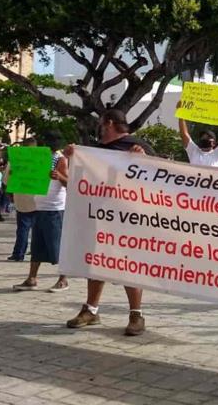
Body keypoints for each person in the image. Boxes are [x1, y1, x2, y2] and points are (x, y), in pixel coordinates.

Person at [66, 109, 156, 336]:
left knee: (129, 264)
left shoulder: (136, 146)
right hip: (99, 216)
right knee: (96, 262)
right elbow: (80, 182)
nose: (99, 128)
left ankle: (136, 314)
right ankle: (91, 310)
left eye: (101, 124)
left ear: (109, 123)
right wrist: (71, 157)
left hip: (129, 218)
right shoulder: (95, 152)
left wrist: (143, 160)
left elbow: (158, 180)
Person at [13, 131, 69, 293]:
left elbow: (69, 183)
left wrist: (59, 176)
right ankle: (32, 278)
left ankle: (63, 279)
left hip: (54, 209)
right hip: (39, 207)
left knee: (56, 245)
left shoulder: (60, 160)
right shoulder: (38, 158)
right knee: (37, 246)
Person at [7, 138, 38, 262]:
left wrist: (11, 197)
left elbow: (7, 181)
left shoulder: (15, 160)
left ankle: (19, 253)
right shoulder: (42, 161)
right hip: (38, 199)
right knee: (37, 229)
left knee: (22, 229)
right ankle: (36, 253)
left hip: (21, 199)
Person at [178, 103, 218, 167]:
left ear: (214, 143)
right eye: (203, 138)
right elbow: (184, 134)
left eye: (208, 137)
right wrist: (180, 115)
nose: (205, 139)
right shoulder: (194, 151)